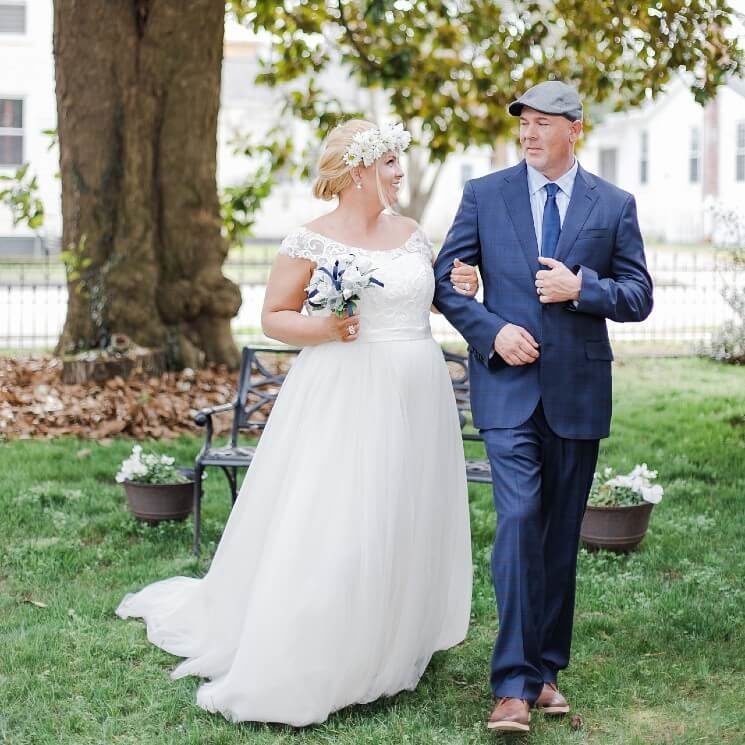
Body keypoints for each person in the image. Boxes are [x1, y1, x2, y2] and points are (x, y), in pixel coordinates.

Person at [116, 119, 478, 727]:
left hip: (419, 392)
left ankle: (393, 635)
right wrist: (327, 328)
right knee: (344, 516)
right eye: (389, 162)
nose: (398, 173)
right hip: (347, 395)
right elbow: (275, 318)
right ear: (359, 170)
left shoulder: (413, 234)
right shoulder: (309, 242)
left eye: (398, 162)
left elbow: (434, 294)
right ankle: (328, 643)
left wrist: (463, 281)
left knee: (405, 509)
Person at [433, 81, 654, 734]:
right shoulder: (485, 194)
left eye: (541, 123)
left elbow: (638, 294)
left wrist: (581, 288)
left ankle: (546, 670)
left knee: (559, 534)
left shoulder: (613, 204)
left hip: (578, 394)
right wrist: (490, 330)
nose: (528, 134)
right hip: (505, 388)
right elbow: (445, 280)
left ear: (573, 129)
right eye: (522, 124)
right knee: (520, 519)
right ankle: (509, 686)